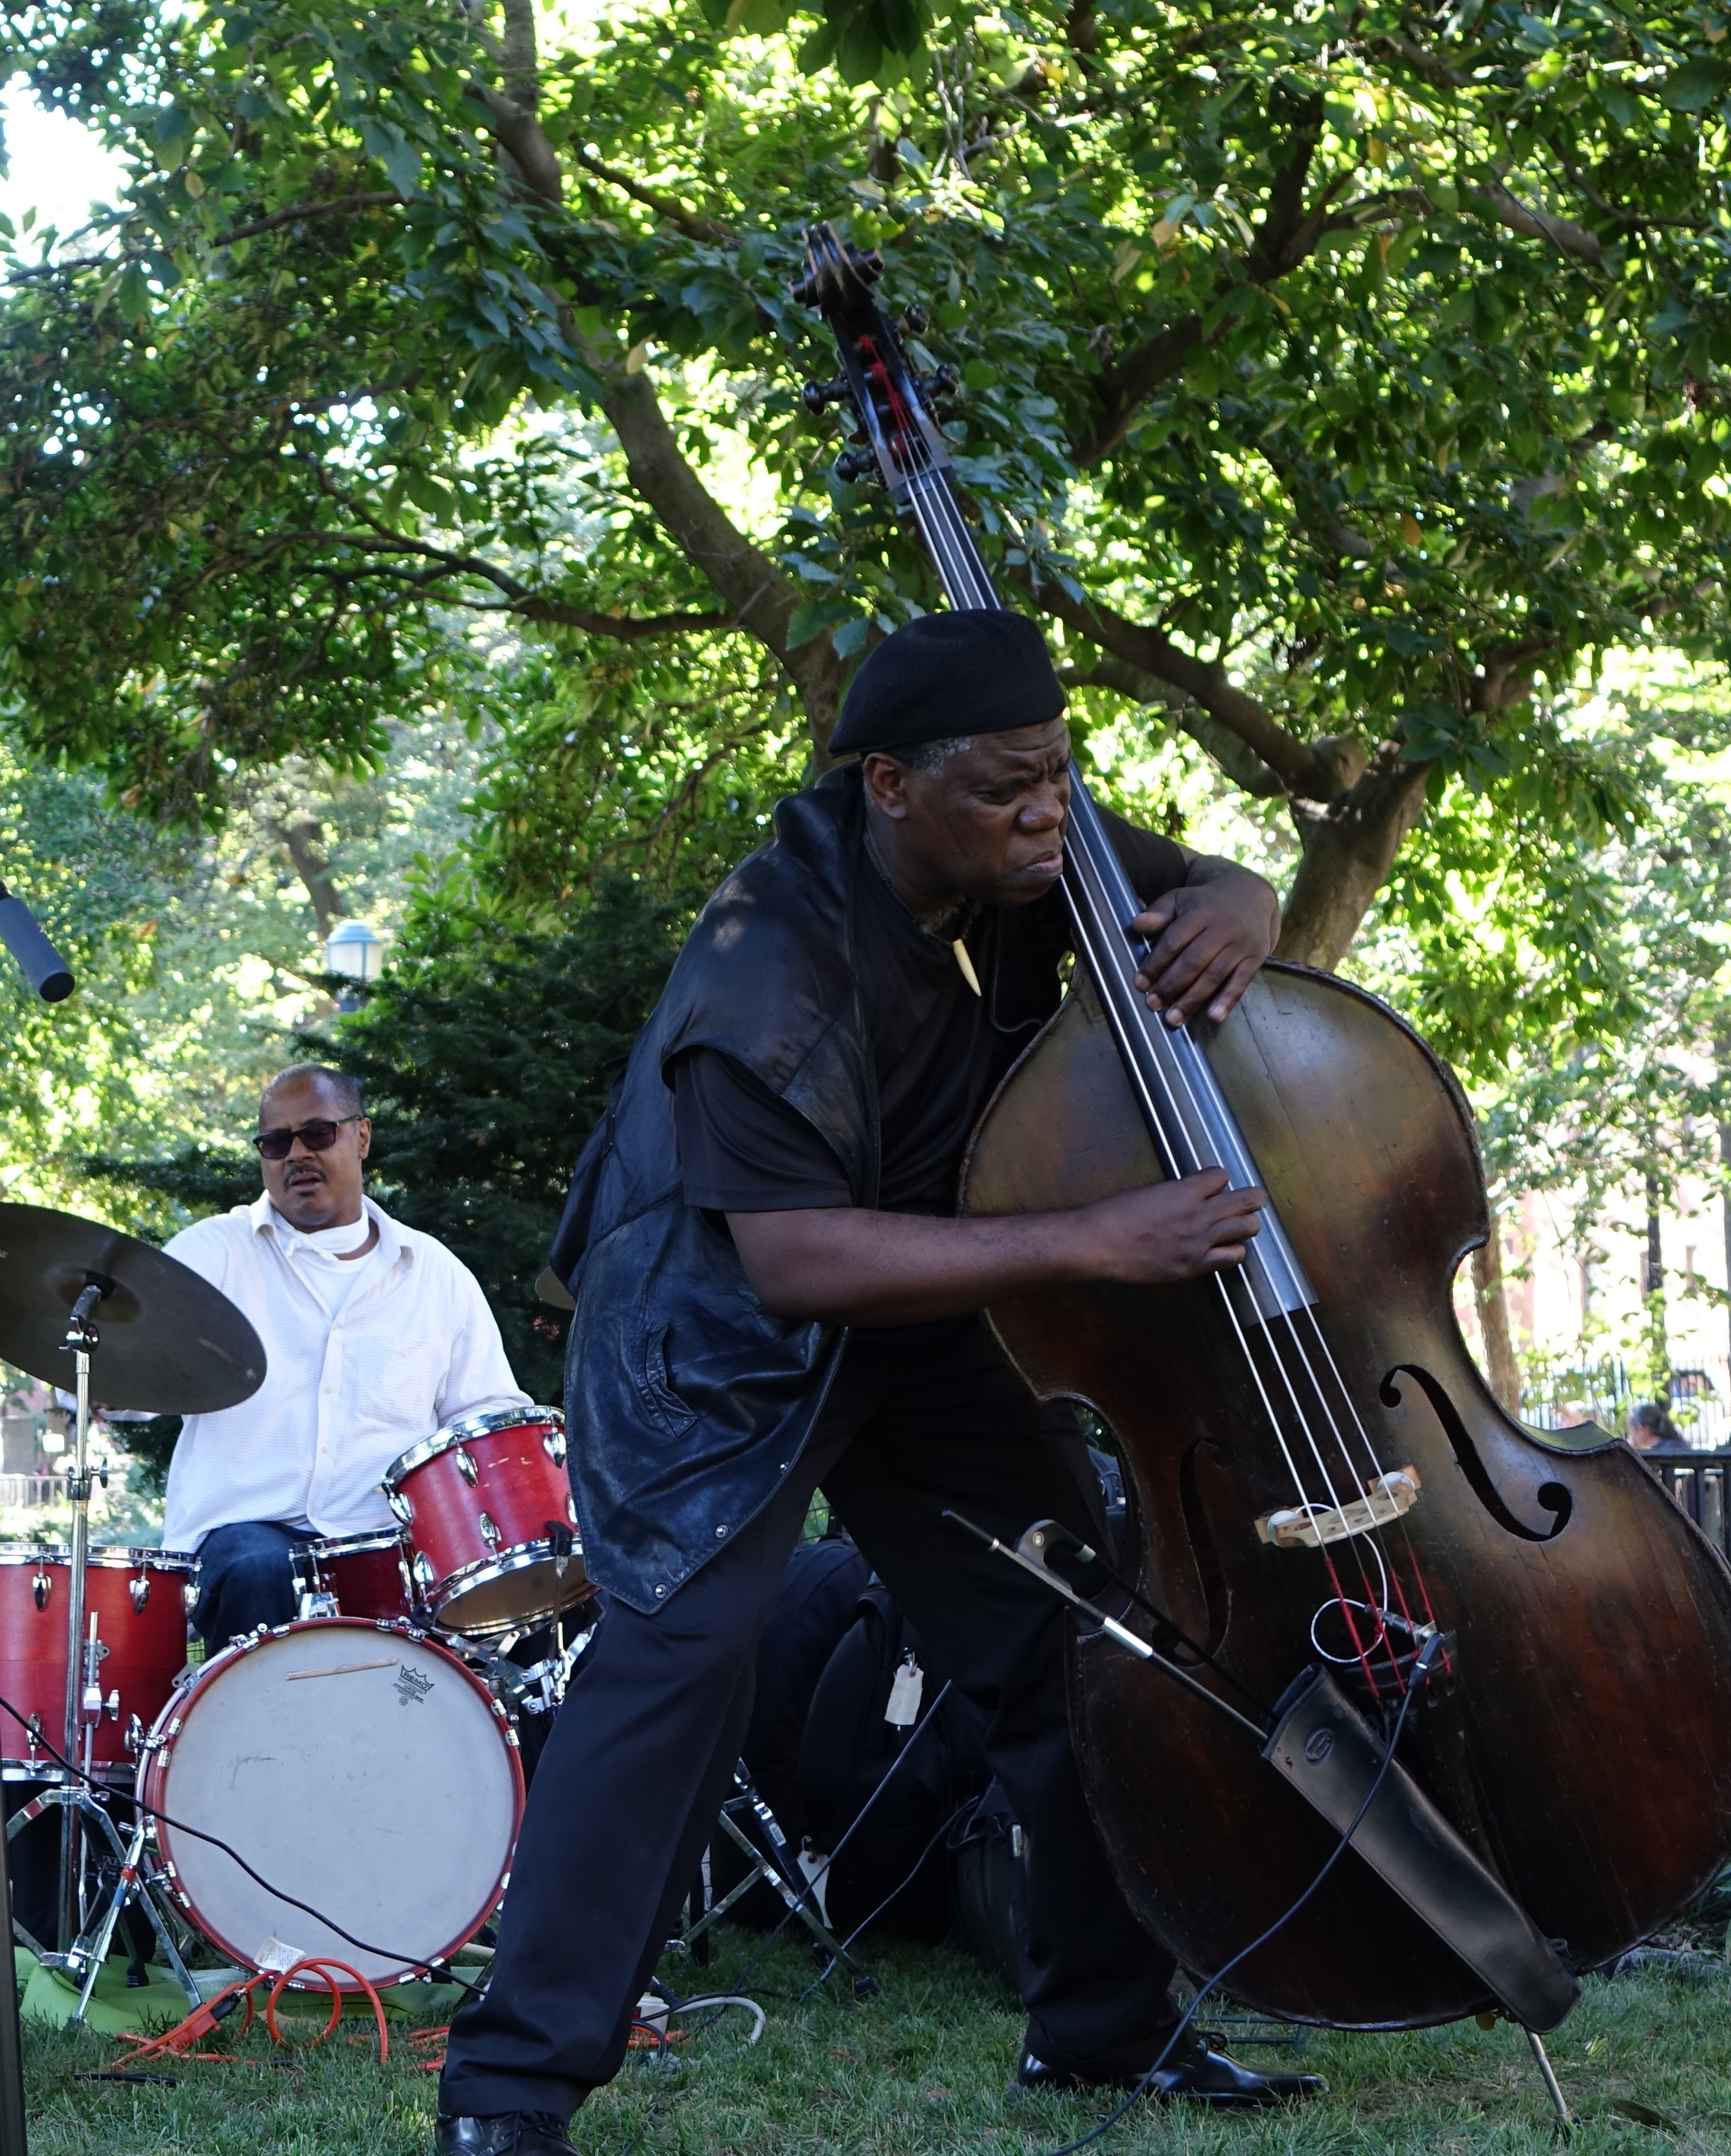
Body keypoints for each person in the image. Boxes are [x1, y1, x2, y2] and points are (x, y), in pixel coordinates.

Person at [433, 612, 1325, 2155]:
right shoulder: (764, 966)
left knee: (1076, 1637)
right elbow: (787, 1260)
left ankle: (1101, 2032)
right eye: (1006, 789)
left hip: (925, 1306)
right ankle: (507, 2092)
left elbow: (1194, 886)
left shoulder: (1023, 836)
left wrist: (1239, 903)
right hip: (713, 1337)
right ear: (887, 785)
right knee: (673, 1684)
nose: (1047, 815)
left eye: (1059, 777)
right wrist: (1095, 1241)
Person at [159, 1064, 528, 1645]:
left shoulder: (436, 1273)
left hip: (393, 1544)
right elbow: (130, 1364)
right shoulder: (213, 1253)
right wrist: (99, 1372)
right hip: (245, 1534)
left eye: (318, 1134)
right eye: (276, 1143)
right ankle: (260, 1739)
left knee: (537, 1610)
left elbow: (484, 1422)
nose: (296, 1154)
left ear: (362, 1136)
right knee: (259, 1568)